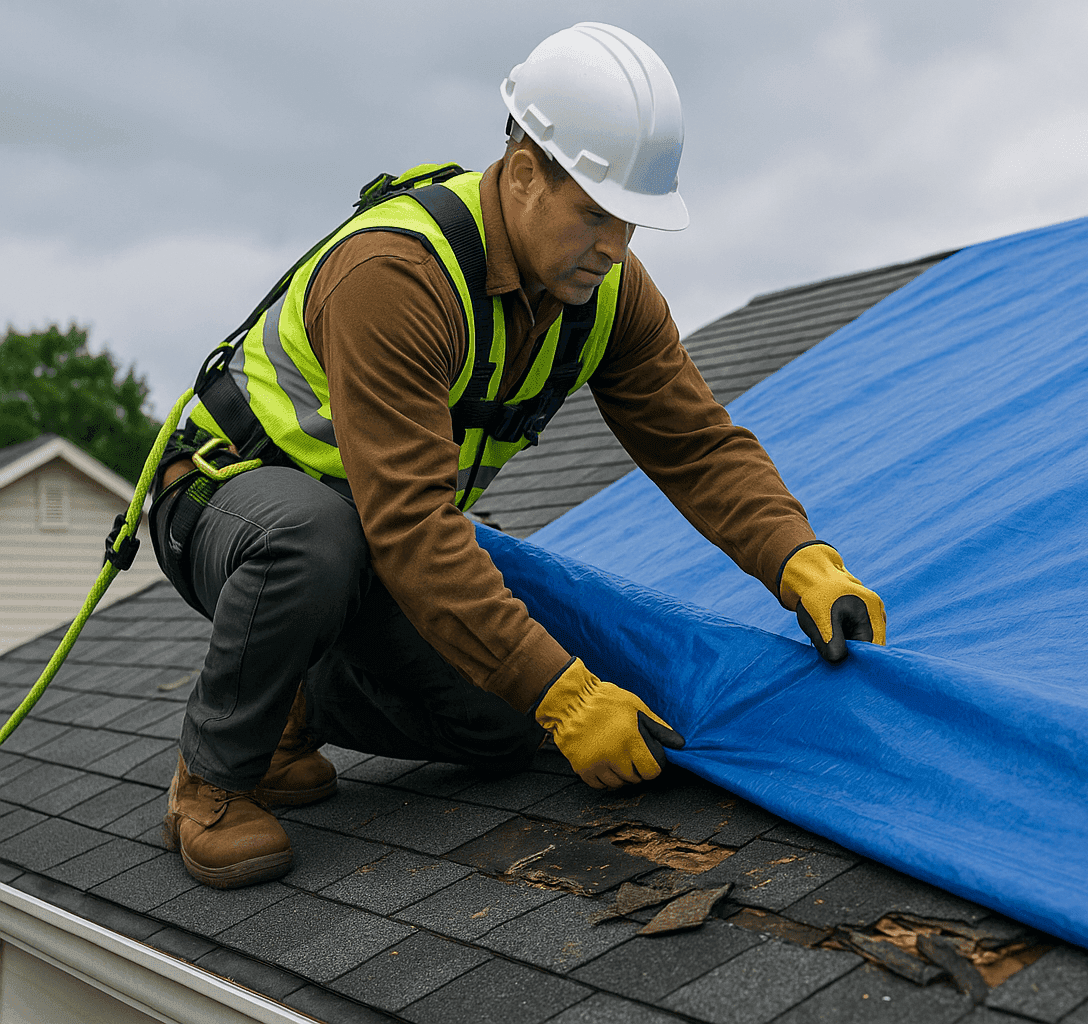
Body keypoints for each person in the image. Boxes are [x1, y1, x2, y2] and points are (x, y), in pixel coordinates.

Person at [147, 22, 886, 890]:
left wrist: (801, 561)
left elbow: (696, 444)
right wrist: (570, 693)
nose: (614, 246)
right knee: (316, 542)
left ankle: (289, 703)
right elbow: (416, 525)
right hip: (231, 505)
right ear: (526, 173)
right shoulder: (396, 273)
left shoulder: (605, 291)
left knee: (501, 728)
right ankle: (213, 778)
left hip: (373, 532)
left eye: (632, 222)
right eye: (596, 213)